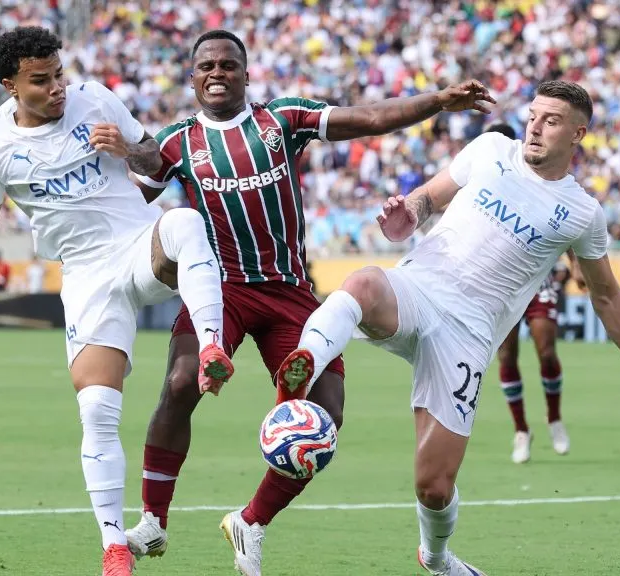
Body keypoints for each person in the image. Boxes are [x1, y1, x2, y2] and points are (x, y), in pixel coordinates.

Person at [127, 29, 494, 575]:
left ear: (246, 74)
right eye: (206, 66)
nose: (217, 73)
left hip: (289, 291)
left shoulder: (281, 120)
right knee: (181, 384)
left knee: (326, 414)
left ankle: (250, 522)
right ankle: (153, 521)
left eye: (229, 64)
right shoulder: (176, 144)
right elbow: (129, 203)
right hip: (220, 289)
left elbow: (366, 119)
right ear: (192, 76)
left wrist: (437, 100)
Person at [273, 81, 620, 575]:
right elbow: (426, 198)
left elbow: (607, 294)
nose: (535, 127)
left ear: (578, 134)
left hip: (467, 335)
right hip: (419, 289)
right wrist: (408, 216)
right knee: (361, 284)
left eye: (551, 121)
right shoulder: (489, 148)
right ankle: (304, 365)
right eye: (533, 115)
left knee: (434, 485)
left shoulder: (581, 212)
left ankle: (437, 558)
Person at [0, 26, 233, 576]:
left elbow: (157, 163)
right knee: (97, 412)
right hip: (86, 277)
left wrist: (126, 149)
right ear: (11, 84)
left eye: (58, 73)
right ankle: (113, 544)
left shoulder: (95, 98)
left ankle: (210, 348)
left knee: (181, 220)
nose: (57, 87)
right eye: (41, 81)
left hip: (137, 247)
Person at [483, 122, 583, 464]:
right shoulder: (482, 177)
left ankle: (554, 418)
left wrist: (576, 264)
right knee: (507, 357)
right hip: (500, 286)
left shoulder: (537, 177)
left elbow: (564, 220)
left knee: (546, 350)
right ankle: (521, 430)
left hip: (537, 281)